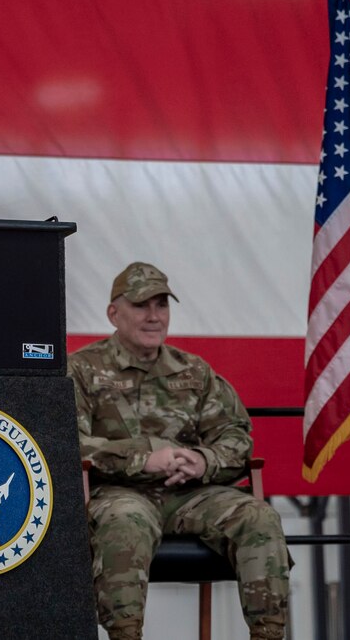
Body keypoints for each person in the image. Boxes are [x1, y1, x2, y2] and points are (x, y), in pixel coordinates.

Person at [70, 262, 290, 640]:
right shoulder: (83, 370)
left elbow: (236, 437)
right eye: (142, 306)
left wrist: (203, 460)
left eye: (162, 305)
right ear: (113, 313)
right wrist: (145, 457)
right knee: (124, 521)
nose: (154, 317)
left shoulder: (194, 371)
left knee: (258, 516)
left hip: (190, 494)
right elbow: (66, 443)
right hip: (118, 493)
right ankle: (125, 635)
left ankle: (268, 633)